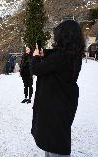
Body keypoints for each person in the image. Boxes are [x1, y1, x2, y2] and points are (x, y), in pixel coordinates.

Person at [31, 20, 85, 156]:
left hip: (55, 106)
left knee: (54, 142)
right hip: (62, 103)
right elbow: (55, 57)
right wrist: (46, 54)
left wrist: (36, 56)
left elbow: (37, 69)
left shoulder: (61, 57)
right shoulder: (72, 54)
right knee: (54, 138)